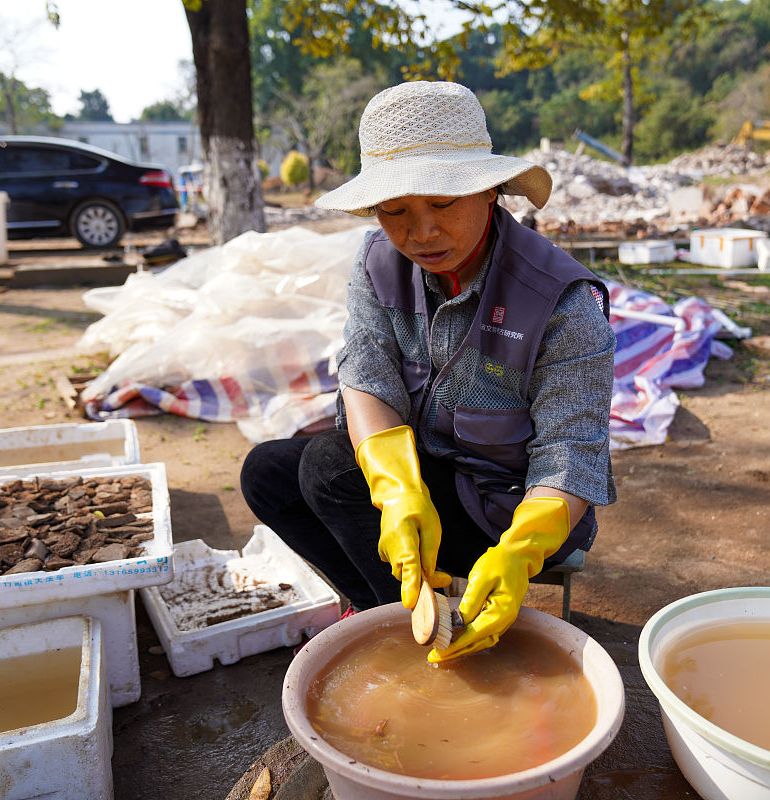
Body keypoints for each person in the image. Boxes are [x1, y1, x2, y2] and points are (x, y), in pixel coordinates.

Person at [240, 81, 616, 663]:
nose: (420, 234)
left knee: (328, 468)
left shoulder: (562, 305)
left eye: (442, 204)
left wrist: (519, 551)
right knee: (269, 472)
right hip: (431, 476)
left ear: (490, 193)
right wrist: (398, 491)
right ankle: (389, 610)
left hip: (513, 509)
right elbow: (367, 372)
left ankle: (422, 634)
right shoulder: (376, 266)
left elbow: (572, 452)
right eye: (395, 211)